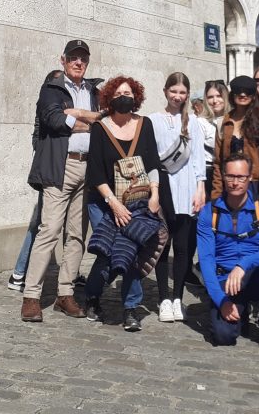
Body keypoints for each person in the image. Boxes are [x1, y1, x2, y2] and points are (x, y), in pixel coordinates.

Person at [20, 41, 103, 322]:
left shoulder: (94, 91)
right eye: (73, 58)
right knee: (49, 230)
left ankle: (65, 294)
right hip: (60, 166)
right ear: (63, 60)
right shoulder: (52, 88)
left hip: (87, 167)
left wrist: (77, 115)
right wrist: (85, 117)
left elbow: (102, 124)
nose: (78, 63)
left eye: (83, 59)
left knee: (78, 233)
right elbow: (54, 120)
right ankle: (31, 295)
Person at [82, 76, 162, 331]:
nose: (123, 96)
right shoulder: (100, 128)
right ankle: (93, 296)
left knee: (132, 249)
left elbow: (153, 164)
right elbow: (95, 172)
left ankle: (130, 307)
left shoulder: (145, 125)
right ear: (109, 99)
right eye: (117, 94)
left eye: (127, 92)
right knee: (108, 251)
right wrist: (114, 204)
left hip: (138, 201)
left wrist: (155, 195)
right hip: (103, 200)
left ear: (135, 96)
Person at [197, 153, 259, 352]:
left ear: (249, 178)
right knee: (223, 337)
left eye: (241, 177)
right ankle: (240, 311)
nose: (235, 182)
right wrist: (222, 301)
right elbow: (206, 260)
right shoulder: (208, 213)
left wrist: (243, 264)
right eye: (230, 176)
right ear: (223, 176)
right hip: (225, 280)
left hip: (254, 276)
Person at [149, 72, 207, 322]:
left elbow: (197, 158)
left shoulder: (193, 121)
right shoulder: (152, 120)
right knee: (162, 246)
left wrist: (200, 188)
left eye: (182, 92)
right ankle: (163, 298)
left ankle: (177, 299)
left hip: (186, 189)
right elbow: (150, 157)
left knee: (183, 248)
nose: (177, 96)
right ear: (165, 91)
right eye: (174, 91)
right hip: (162, 188)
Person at [9, 69, 64, 292]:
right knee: (41, 224)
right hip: (50, 173)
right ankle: (19, 273)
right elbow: (38, 140)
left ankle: (20, 273)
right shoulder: (48, 106)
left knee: (57, 224)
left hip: (60, 172)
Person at [211, 76, 259, 199]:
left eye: (247, 91)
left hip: (255, 183)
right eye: (238, 91)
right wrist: (216, 193)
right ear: (232, 94)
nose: (242, 94)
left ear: (253, 95)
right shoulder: (223, 123)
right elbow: (218, 162)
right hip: (230, 183)